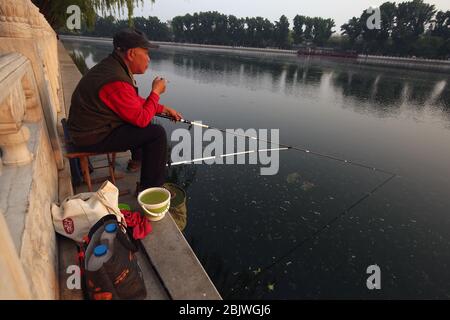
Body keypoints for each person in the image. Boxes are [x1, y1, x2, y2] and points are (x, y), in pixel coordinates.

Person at [67, 28, 182, 190]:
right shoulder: (116, 79)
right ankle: (150, 191)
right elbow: (141, 119)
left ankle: (137, 161)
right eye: (146, 53)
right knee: (156, 134)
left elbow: (132, 102)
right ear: (131, 54)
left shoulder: (113, 66)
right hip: (89, 137)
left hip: (87, 129)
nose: (149, 59)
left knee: (138, 119)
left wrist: (163, 109)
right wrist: (156, 92)